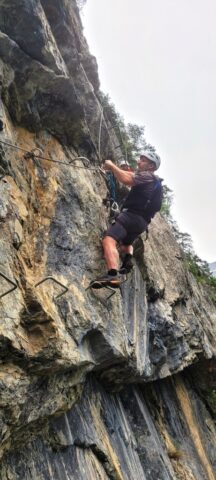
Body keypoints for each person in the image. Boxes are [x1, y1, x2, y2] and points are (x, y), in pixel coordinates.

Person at [94, 151, 162, 288]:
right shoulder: (153, 182)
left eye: (143, 160)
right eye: (140, 159)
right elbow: (132, 176)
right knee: (126, 243)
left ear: (151, 166)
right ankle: (127, 259)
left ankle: (113, 275)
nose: (138, 161)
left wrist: (111, 166)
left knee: (109, 240)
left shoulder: (147, 176)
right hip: (141, 223)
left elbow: (127, 180)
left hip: (130, 216)